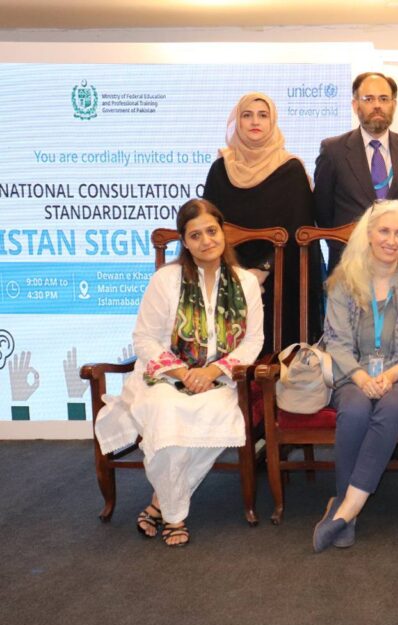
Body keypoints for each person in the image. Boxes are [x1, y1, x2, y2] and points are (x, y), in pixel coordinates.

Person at [93, 199, 264, 547]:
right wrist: (185, 374)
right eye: (195, 235)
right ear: (185, 242)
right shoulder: (166, 280)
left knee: (216, 418)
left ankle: (162, 507)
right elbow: (143, 338)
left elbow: (252, 341)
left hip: (220, 379)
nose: (206, 241)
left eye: (211, 231)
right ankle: (175, 515)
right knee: (166, 414)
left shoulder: (245, 282)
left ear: (223, 232)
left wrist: (213, 370)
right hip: (165, 377)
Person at [312, 200, 398, 552]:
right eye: (384, 231)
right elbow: (335, 340)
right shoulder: (344, 282)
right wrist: (360, 375)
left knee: (392, 408)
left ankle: (345, 510)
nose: (392, 240)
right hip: (352, 373)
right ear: (368, 234)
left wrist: (393, 374)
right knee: (353, 411)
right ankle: (346, 513)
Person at [203, 92, 322, 353]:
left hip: (281, 281)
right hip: (229, 280)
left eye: (263, 115)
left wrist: (262, 271)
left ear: (272, 122)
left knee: (278, 362)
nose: (255, 121)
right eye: (247, 115)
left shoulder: (290, 169)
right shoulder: (220, 169)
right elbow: (208, 228)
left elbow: (299, 231)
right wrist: (237, 275)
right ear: (238, 122)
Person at [314, 72, 398, 272]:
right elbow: (323, 215)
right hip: (347, 265)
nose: (377, 105)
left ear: (394, 104)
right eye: (369, 99)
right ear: (355, 105)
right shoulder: (333, 151)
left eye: (384, 99)